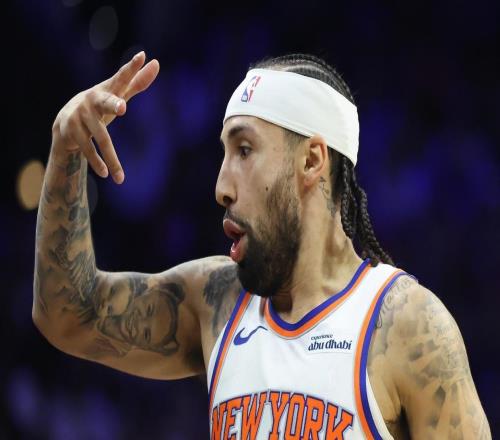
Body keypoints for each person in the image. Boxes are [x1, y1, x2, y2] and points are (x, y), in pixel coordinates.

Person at [33, 51, 491, 439]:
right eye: (225, 153)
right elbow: (69, 314)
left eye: (245, 150)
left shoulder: (409, 327)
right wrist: (65, 150)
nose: (221, 186)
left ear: (311, 161)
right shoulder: (216, 300)